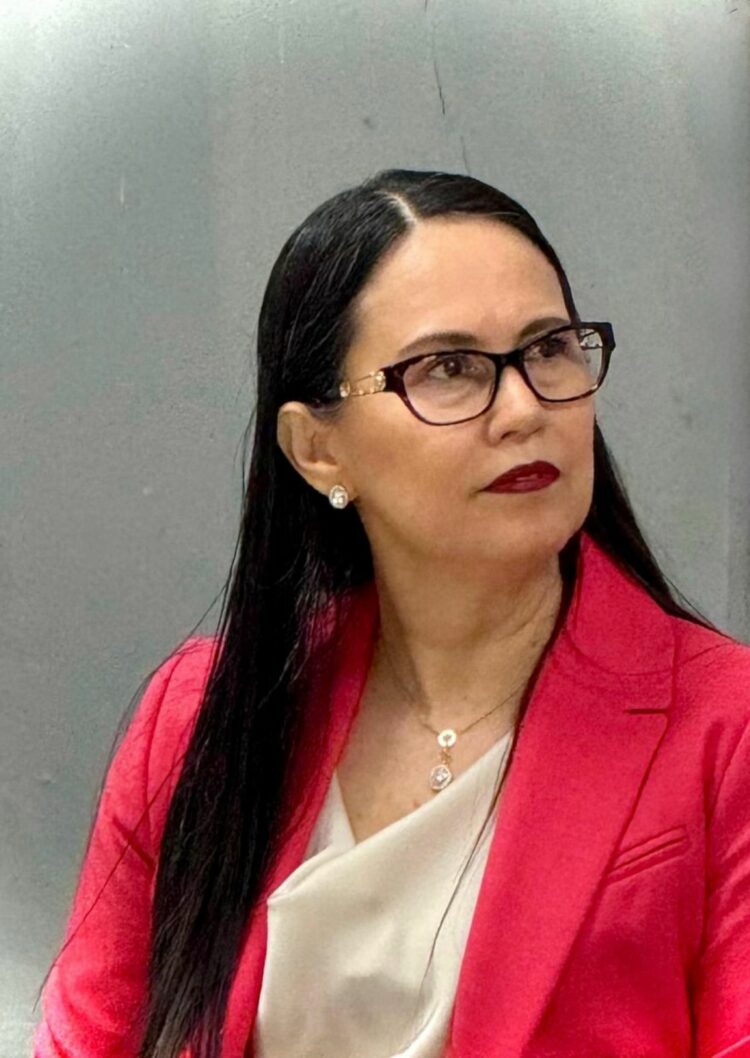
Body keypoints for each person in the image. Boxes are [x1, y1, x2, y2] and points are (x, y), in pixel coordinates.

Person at [33, 169, 750, 1058]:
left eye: (550, 349)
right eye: (448, 369)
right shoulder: (200, 720)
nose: (524, 409)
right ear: (318, 450)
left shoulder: (725, 729)